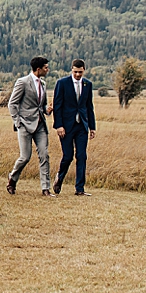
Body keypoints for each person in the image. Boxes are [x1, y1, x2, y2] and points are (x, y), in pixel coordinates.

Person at [7, 56, 53, 195]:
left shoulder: (43, 84)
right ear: (38, 69)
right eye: (46, 67)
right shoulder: (23, 82)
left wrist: (47, 110)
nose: (47, 69)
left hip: (40, 125)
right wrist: (18, 122)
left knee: (44, 155)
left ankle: (45, 188)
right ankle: (12, 179)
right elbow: (12, 103)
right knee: (25, 157)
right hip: (25, 125)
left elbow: (42, 105)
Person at [52, 58, 96, 195]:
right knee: (68, 156)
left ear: (84, 70)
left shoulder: (87, 85)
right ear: (72, 69)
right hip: (66, 126)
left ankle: (80, 189)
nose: (78, 74)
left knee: (82, 156)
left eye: (80, 72)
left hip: (82, 126)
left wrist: (92, 127)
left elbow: (89, 106)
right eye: (76, 72)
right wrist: (59, 125)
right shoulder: (62, 83)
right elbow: (57, 106)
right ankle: (59, 178)